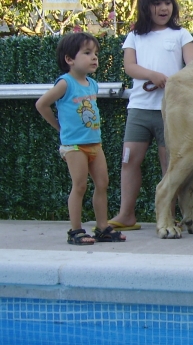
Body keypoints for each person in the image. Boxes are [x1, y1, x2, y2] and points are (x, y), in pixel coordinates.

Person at [108, 0, 193, 231]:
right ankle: (126, 215)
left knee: (170, 166)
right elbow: (130, 66)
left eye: (167, 2)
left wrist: (176, 82)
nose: (163, 8)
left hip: (172, 113)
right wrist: (152, 75)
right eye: (157, 3)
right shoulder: (134, 36)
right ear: (145, 6)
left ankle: (167, 219)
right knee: (128, 161)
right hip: (138, 110)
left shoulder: (182, 34)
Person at [36, 32, 126, 245]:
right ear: (70, 59)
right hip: (75, 146)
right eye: (87, 53)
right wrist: (59, 128)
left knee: (102, 183)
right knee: (80, 186)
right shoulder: (65, 83)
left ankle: (102, 228)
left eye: (95, 53)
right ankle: (75, 231)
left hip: (95, 144)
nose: (94, 57)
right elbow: (41, 104)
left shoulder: (92, 84)